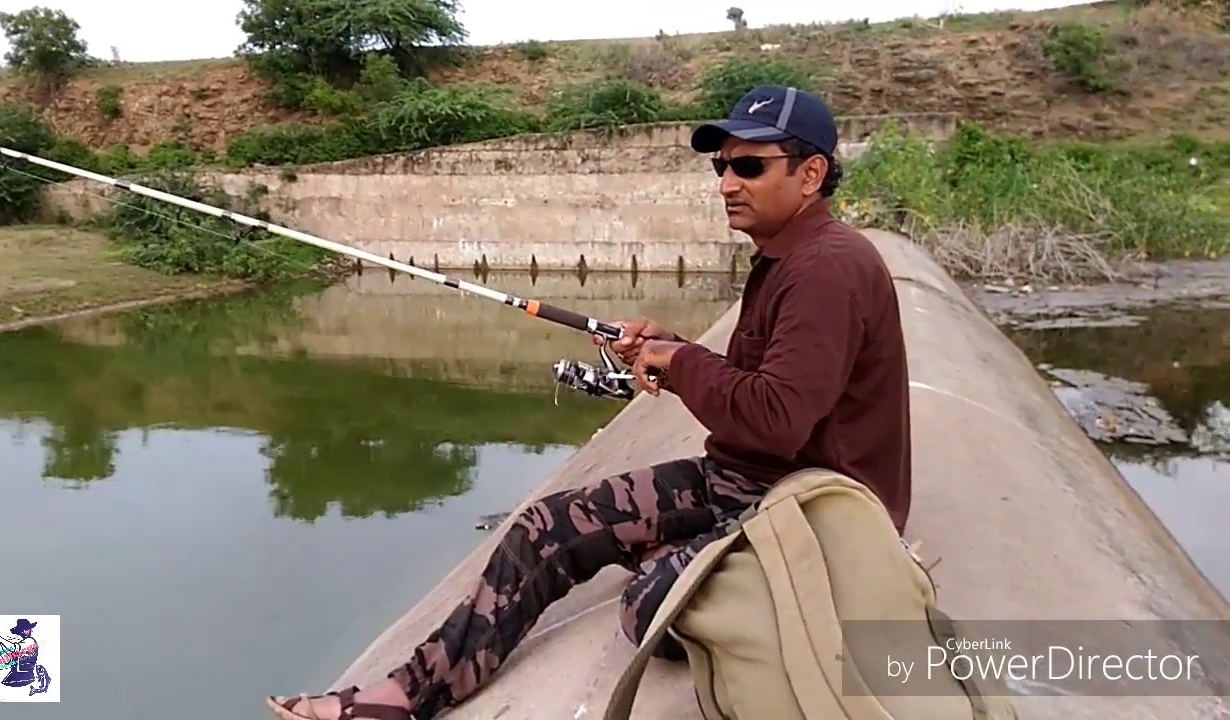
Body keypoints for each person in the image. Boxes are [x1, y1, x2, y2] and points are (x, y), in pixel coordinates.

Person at [267, 84, 912, 720]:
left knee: (645, 605)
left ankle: (679, 560)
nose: (726, 184)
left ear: (812, 174)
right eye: (722, 167)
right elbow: (768, 384)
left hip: (809, 509)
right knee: (546, 526)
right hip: (748, 481)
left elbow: (777, 418)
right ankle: (405, 696)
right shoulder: (788, 256)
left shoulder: (827, 267)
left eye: (749, 166)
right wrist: (676, 348)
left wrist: (682, 364)